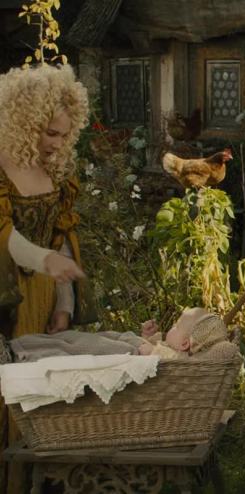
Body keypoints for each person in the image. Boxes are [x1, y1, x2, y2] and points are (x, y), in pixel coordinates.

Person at [0, 63, 93, 493]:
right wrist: (45, 260)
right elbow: (4, 234)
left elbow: (62, 238)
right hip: (5, 297)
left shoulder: (57, 172)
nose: (57, 144)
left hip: (40, 297)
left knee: (43, 390)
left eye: (63, 135)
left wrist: (64, 303)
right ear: (26, 122)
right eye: (50, 133)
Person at [0, 307, 239, 363]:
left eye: (176, 326)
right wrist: (147, 337)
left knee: (76, 349)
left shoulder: (181, 361)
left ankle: (18, 354)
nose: (171, 328)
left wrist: (152, 350)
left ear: (185, 343)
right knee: (74, 338)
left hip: (127, 353)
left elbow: (173, 362)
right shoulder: (173, 347)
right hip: (130, 343)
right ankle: (18, 345)